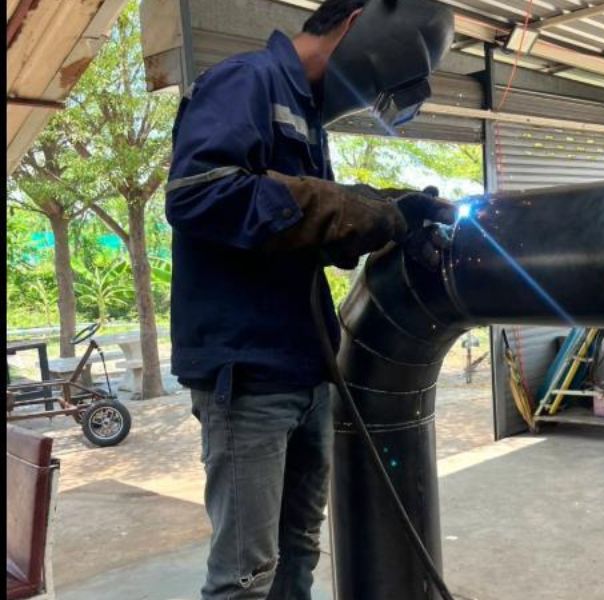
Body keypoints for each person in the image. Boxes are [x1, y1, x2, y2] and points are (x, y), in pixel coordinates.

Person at [164, 0, 454, 598]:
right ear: (353, 25)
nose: (366, 98)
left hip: (305, 369)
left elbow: (302, 223)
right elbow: (198, 194)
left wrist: (389, 206)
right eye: (374, 84)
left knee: (298, 549)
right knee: (246, 576)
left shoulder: (306, 116)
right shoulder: (247, 81)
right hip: (247, 374)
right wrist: (352, 208)